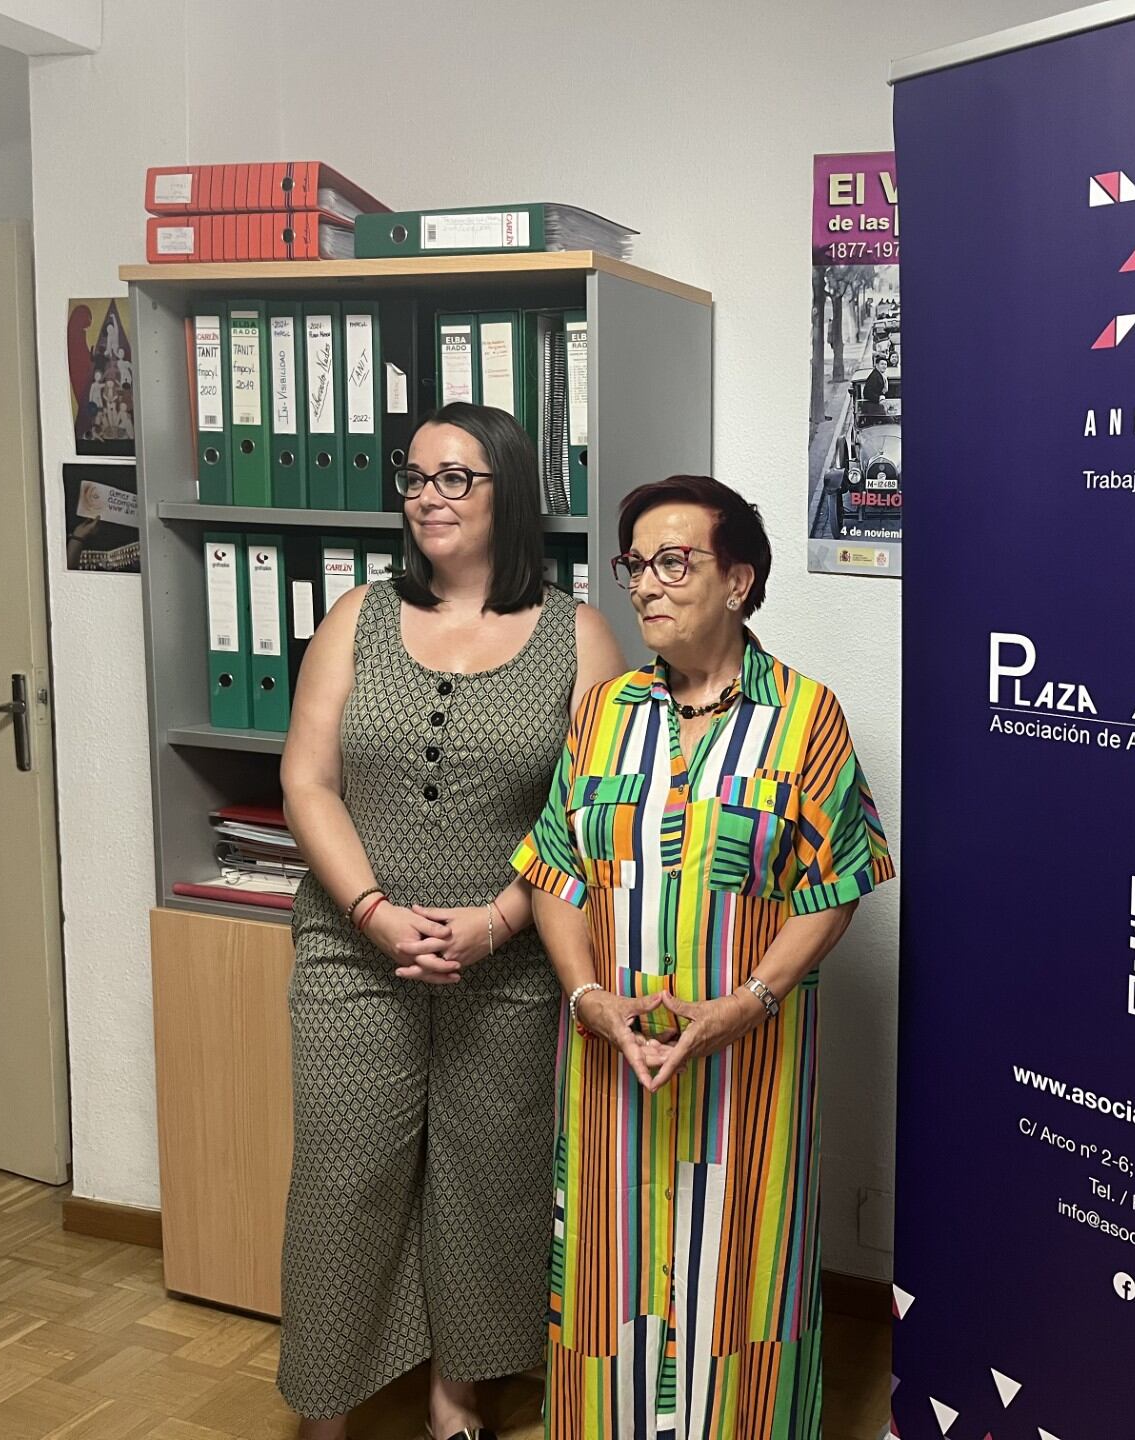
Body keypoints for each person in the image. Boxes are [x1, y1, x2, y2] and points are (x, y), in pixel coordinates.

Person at [512, 475, 894, 1438]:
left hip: (747, 1077)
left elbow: (835, 887)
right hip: (610, 1074)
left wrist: (748, 1004)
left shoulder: (808, 717)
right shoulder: (599, 712)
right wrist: (590, 996)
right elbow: (555, 871)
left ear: (738, 581)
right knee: (607, 1288)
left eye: (673, 562)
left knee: (741, 1293)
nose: (646, 585)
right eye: (634, 564)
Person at [277, 402, 623, 1440]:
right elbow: (306, 780)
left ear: (507, 491)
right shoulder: (356, 618)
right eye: (415, 475)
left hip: (507, 966)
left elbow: (585, 816)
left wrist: (501, 922)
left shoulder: (579, 633)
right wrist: (375, 913)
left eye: (456, 476)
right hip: (351, 948)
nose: (428, 494)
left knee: (488, 1178)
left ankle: (457, 1390)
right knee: (346, 1176)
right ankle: (326, 1403)